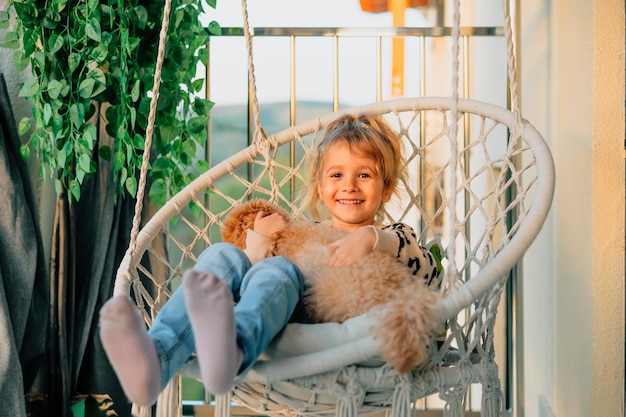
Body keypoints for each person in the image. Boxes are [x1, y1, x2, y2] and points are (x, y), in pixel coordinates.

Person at [99, 114, 440, 407]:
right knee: (225, 255)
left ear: (388, 189)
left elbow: (424, 265)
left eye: (364, 175)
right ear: (320, 187)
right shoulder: (306, 229)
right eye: (336, 175)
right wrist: (260, 239)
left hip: (315, 310)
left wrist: (371, 237)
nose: (349, 186)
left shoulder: (392, 235)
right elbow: (253, 271)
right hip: (272, 301)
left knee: (281, 270)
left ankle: (235, 347)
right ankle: (154, 362)